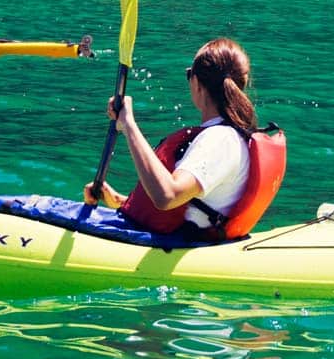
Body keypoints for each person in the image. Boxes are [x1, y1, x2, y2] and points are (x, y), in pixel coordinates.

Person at [84, 38, 286, 239]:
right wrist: (120, 201)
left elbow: (167, 196)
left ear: (197, 83)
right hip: (170, 235)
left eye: (189, 74)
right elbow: (195, 207)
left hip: (176, 246)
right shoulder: (227, 136)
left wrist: (129, 124)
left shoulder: (220, 140)